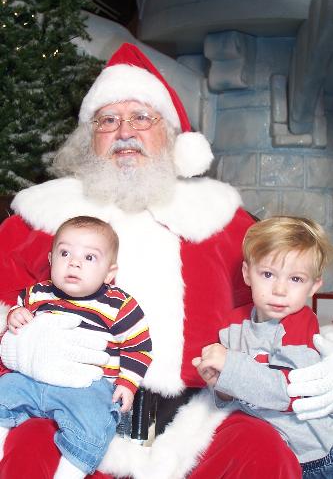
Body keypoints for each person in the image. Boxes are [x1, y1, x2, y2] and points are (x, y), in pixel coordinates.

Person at [0, 41, 330, 479]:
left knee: (261, 451)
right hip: (68, 410)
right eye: (108, 120)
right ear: (88, 139)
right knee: (27, 452)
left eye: (141, 117)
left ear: (171, 135)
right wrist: (19, 345)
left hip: (198, 421)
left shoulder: (222, 220)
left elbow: (283, 291)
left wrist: (322, 354)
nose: (125, 132)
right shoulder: (35, 220)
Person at [0, 215, 152, 478]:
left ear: (109, 273)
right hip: (32, 377)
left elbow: (138, 347)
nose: (74, 262)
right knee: (5, 390)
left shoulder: (119, 305)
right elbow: (19, 317)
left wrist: (127, 383)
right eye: (65, 252)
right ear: (50, 261)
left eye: (89, 258)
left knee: (94, 420)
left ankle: (71, 470)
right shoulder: (37, 293)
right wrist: (15, 316)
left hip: (87, 385)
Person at [193, 216, 333, 478]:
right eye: (268, 274)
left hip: (312, 458)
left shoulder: (300, 326)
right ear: (247, 273)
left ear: (314, 286)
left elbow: (287, 393)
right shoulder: (233, 325)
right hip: (271, 450)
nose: (279, 289)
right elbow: (236, 395)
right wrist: (220, 386)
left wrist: (231, 367)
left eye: (296, 279)